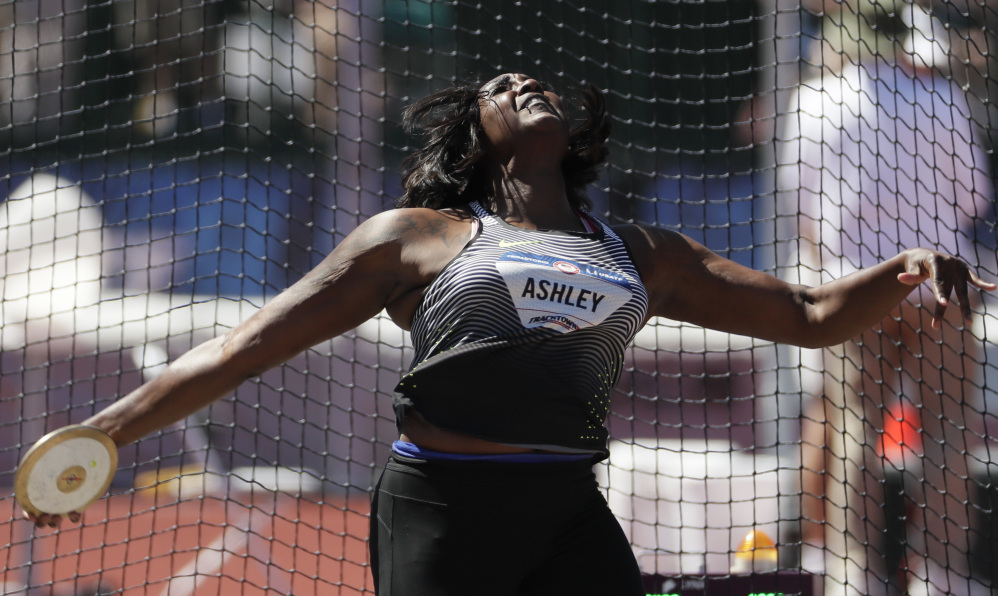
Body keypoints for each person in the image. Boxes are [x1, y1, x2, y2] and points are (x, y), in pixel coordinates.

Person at [21, 73, 994, 595]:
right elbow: (244, 348)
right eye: (502, 86)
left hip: (567, 504)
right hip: (443, 509)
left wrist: (904, 267)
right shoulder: (417, 238)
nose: (526, 85)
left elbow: (810, 317)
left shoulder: (639, 251)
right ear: (475, 133)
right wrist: (107, 431)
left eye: (537, 86)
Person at [777, 7, 995, 594]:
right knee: (950, 433)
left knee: (853, 432)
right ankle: (942, 579)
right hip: (939, 288)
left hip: (854, 292)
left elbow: (802, 215)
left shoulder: (814, 102)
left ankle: (855, 576)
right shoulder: (942, 99)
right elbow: (974, 199)